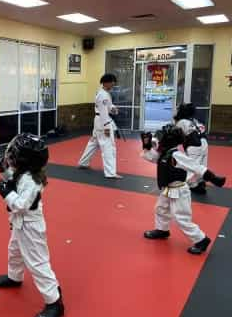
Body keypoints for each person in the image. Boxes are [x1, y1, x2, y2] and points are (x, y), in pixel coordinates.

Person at [0, 133, 65, 317]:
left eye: (14, 155)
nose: (11, 157)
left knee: (37, 262)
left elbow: (21, 204)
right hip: (20, 223)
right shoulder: (25, 174)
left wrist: (5, 192)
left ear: (24, 160)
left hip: (30, 227)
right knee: (14, 251)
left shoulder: (32, 181)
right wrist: (3, 171)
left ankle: (54, 302)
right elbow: (14, 182)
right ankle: (15, 276)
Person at [141, 125, 226, 254]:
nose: (159, 139)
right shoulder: (164, 153)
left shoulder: (176, 155)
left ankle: (201, 239)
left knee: (181, 218)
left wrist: (214, 179)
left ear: (168, 139)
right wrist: (146, 145)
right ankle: (162, 230)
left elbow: (196, 167)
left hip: (179, 191)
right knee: (160, 209)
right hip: (168, 189)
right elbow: (151, 157)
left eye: (161, 137)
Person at [78, 73, 121, 178]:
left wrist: (113, 109)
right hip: (103, 121)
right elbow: (103, 111)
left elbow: (108, 106)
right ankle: (110, 173)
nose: (113, 85)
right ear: (106, 82)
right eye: (112, 83)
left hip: (99, 121)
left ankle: (83, 162)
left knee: (93, 143)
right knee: (108, 146)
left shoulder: (103, 92)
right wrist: (106, 126)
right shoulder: (103, 95)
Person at [174, 103, 209, 194]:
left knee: (191, 165)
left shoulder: (182, 122)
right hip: (204, 143)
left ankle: (191, 185)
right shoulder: (194, 120)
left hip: (194, 145)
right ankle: (201, 182)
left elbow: (177, 136)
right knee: (201, 164)